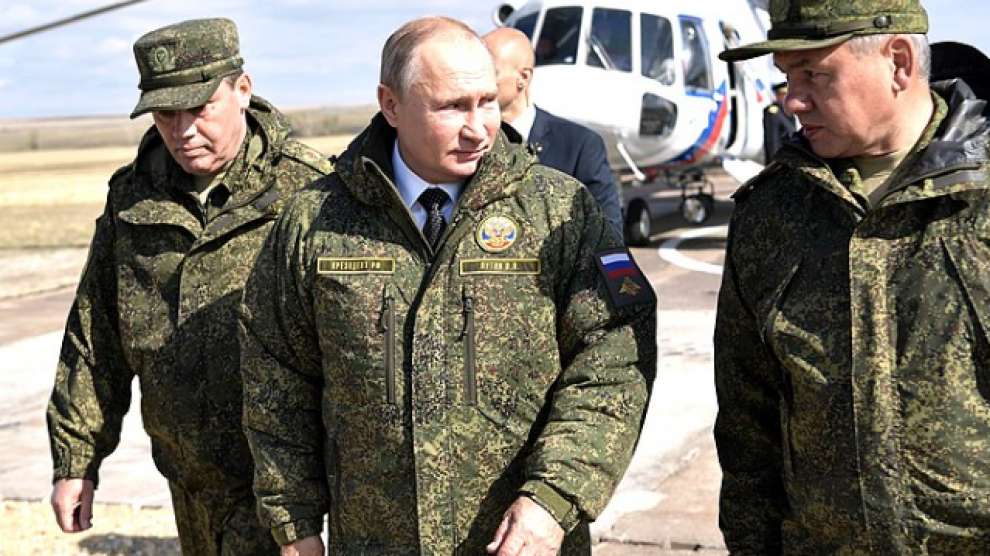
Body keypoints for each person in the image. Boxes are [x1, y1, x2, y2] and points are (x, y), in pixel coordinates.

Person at [239, 16, 657, 556]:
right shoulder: (314, 222)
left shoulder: (561, 211)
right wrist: (292, 523)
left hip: (523, 542)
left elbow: (616, 355)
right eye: (453, 107)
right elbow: (275, 375)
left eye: (488, 102)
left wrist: (554, 496)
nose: (479, 128)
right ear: (391, 105)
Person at [45, 17, 332, 555]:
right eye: (165, 114)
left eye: (199, 109)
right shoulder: (133, 198)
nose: (182, 131)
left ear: (242, 90)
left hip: (283, 492)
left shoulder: (309, 191)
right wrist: (77, 459)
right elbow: (95, 334)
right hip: (188, 483)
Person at [714, 0, 990, 552]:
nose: (792, 100)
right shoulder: (770, 215)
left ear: (898, 62)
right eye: (787, 77)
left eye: (814, 74)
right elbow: (748, 424)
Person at [482, 26, 625, 239]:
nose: (477, 81)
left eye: (489, 71)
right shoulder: (467, 144)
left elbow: (608, 236)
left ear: (523, 77)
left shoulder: (579, 146)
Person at [762, 82, 797, 163]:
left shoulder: (788, 112)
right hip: (779, 159)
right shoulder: (773, 112)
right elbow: (772, 140)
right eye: (784, 95)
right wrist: (774, 161)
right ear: (777, 95)